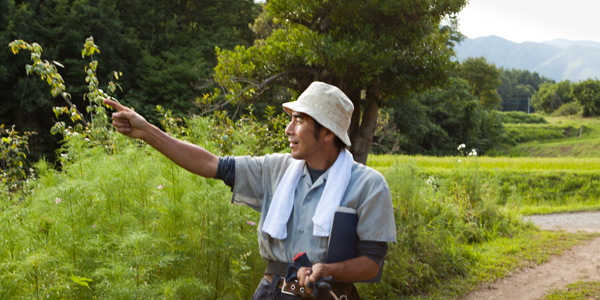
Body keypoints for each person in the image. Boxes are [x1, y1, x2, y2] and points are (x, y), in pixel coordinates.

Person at [104, 81, 396, 300]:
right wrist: (147, 132)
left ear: (328, 132)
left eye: (299, 120)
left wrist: (328, 270)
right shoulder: (275, 169)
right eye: (290, 119)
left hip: (326, 294)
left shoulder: (367, 185)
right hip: (273, 290)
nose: (288, 129)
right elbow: (211, 164)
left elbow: (371, 263)